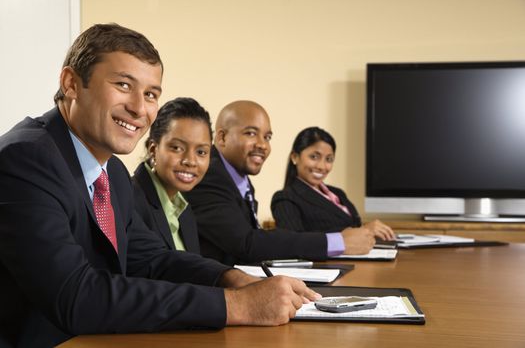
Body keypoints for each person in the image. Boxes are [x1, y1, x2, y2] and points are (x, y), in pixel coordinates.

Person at [0, 24, 319, 348]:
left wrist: (230, 279)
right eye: (124, 85)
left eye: (151, 94)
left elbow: (151, 259)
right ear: (71, 83)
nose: (140, 109)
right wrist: (236, 305)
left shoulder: (114, 174)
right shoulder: (25, 160)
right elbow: (75, 295)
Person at [184, 100, 377, 266]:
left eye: (267, 137)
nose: (262, 145)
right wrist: (337, 242)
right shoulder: (208, 175)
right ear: (222, 137)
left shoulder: (240, 180)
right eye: (251, 133)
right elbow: (246, 243)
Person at [271, 127, 395, 240]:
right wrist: (362, 230)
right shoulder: (285, 198)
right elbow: (294, 243)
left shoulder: (338, 193)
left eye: (329, 159)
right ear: (295, 157)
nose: (321, 166)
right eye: (314, 157)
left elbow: (354, 228)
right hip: (331, 264)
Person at [132, 97, 212, 253]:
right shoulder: (131, 201)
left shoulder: (184, 209)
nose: (190, 161)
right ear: (153, 149)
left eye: (201, 152)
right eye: (177, 148)